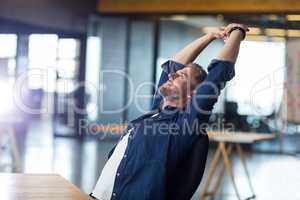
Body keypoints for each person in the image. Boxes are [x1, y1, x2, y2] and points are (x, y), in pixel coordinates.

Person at [90, 23, 249, 200]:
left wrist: (237, 33)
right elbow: (173, 65)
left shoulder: (185, 124)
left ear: (194, 94)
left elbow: (218, 74)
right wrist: (210, 36)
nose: (172, 75)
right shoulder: (155, 111)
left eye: (181, 76)